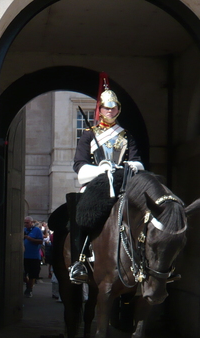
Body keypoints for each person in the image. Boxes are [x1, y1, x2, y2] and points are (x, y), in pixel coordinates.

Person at [69, 87, 144, 284]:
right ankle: (80, 260)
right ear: (100, 110)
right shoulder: (88, 135)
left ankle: (148, 262)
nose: (110, 111)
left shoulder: (126, 135)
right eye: (106, 108)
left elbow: (137, 160)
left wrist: (126, 167)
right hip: (97, 182)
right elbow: (79, 164)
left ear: (118, 110)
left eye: (114, 108)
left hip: (123, 182)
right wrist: (101, 169)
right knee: (84, 211)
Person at [23, 216, 43, 298]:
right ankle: (28, 285)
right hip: (24, 256)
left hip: (33, 256)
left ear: (31, 223)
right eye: (25, 222)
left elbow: (40, 241)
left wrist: (29, 238)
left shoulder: (37, 230)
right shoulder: (23, 230)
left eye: (27, 222)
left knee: (32, 275)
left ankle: (29, 289)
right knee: (23, 274)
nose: (26, 224)